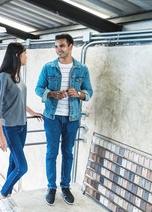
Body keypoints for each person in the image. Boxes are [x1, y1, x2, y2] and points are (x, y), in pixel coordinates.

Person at [35, 33, 93, 206]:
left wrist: (79, 94)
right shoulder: (48, 67)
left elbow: (88, 92)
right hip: (52, 117)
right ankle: (51, 188)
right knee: (52, 153)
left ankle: (65, 187)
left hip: (72, 118)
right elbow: (38, 88)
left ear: (70, 46)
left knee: (68, 153)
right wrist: (52, 94)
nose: (58, 49)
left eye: (61, 46)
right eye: (56, 46)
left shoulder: (82, 69)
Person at [0, 42, 43, 212]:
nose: (26, 56)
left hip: (23, 126)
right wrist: (1, 136)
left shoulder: (17, 76)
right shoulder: (3, 77)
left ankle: (7, 196)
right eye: (24, 53)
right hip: (11, 128)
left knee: (14, 162)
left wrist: (32, 112)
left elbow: (20, 101)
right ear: (16, 56)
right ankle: (2, 194)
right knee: (23, 167)